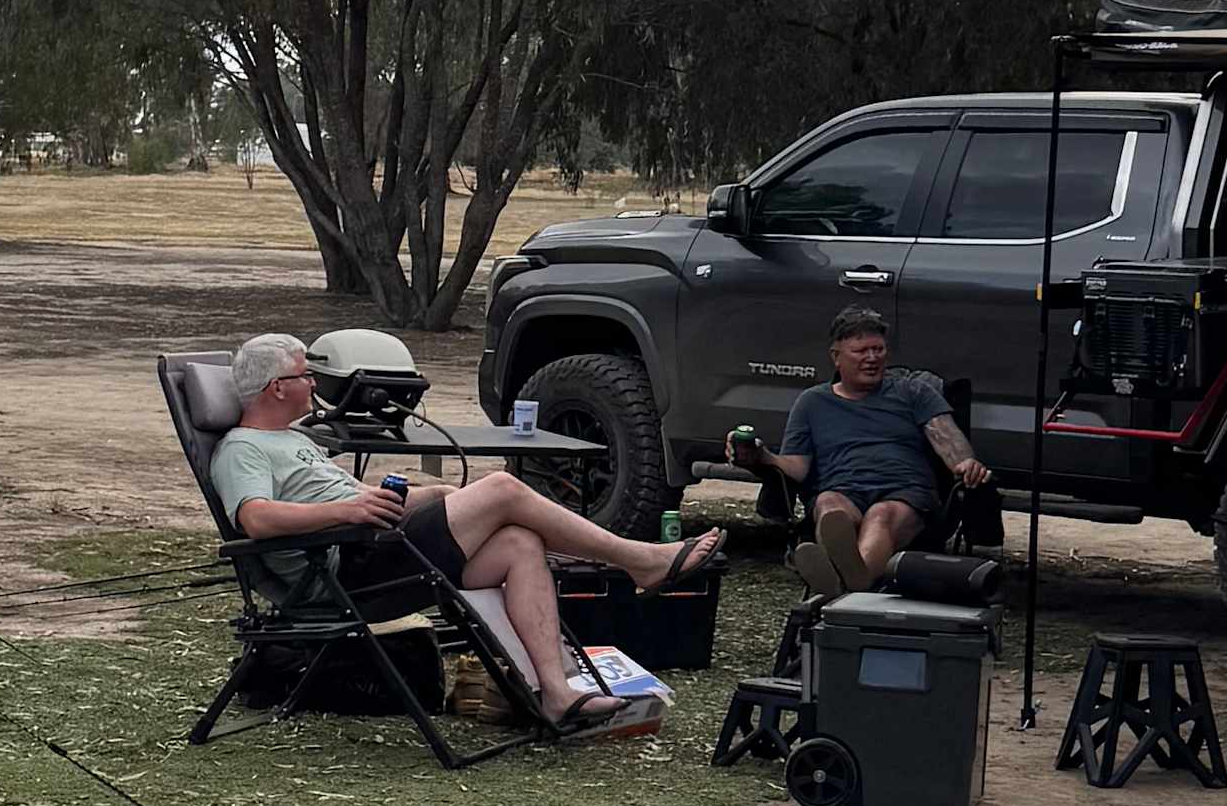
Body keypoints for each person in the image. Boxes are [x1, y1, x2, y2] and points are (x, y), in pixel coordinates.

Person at [207, 332, 724, 732]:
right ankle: (639, 560)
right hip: (345, 570)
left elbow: (338, 499)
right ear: (278, 388)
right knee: (501, 488)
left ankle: (556, 692)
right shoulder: (242, 448)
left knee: (520, 543)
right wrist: (350, 512)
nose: (315, 384)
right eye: (305, 376)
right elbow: (256, 518)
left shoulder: (293, 440)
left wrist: (414, 497)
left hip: (379, 544)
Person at [745, 304, 987, 597]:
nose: (872, 358)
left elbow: (946, 435)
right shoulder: (812, 402)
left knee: (880, 515)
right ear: (836, 357)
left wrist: (964, 462)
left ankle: (842, 589)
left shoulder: (912, 392)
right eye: (861, 351)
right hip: (843, 487)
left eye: (879, 349)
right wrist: (761, 457)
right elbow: (797, 467)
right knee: (830, 505)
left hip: (905, 491)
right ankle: (853, 582)